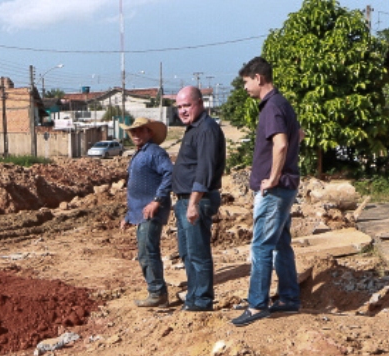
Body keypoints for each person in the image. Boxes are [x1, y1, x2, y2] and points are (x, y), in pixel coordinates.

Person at [232, 56, 302, 327]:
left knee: (261, 246)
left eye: (246, 82)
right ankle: (288, 298)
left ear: (258, 78)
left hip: (276, 190)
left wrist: (272, 178)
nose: (245, 87)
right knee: (281, 244)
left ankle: (257, 304)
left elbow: (281, 144)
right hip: (286, 187)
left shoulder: (272, 106)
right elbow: (300, 134)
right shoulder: (281, 104)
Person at [172, 86, 225, 312]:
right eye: (179, 107)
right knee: (187, 253)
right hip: (185, 200)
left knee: (198, 253)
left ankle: (202, 300)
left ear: (199, 104)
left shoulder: (206, 129)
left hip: (197, 200)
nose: (183, 111)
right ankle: (193, 298)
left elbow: (204, 170)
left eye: (187, 106)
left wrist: (193, 203)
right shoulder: (193, 128)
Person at [118, 117, 173, 307]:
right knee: (145, 251)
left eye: (140, 130)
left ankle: (157, 293)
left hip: (152, 212)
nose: (136, 134)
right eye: (133, 131)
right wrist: (128, 216)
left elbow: (169, 174)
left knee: (147, 252)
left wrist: (157, 201)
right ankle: (156, 291)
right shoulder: (140, 153)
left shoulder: (155, 153)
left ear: (150, 133)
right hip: (141, 212)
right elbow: (136, 190)